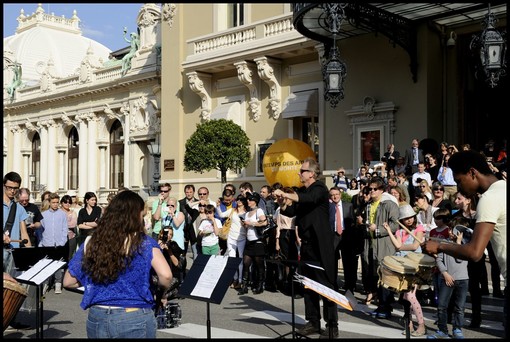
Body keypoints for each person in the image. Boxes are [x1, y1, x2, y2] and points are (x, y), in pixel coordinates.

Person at [63, 190, 172, 339]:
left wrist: (92, 283)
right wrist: (160, 294)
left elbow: (68, 281)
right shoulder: (144, 242)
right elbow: (166, 275)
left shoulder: (92, 241)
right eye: (142, 216)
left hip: (98, 316)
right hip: (134, 314)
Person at [422, 149, 507, 338]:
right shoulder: (504, 188)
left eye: (459, 181)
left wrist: (439, 245)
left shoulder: (489, 198)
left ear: (472, 172)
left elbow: (475, 252)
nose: (459, 188)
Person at [273, 157, 339, 338]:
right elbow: (291, 211)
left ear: (311, 173)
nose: (299, 174)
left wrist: (287, 194)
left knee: (326, 284)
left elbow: (308, 199)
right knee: (308, 284)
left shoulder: (319, 188)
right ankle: (313, 322)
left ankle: (332, 325)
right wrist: (281, 202)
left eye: (302, 171)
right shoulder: (302, 191)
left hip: (321, 244)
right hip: (307, 245)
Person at [382, 204, 427, 336]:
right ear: (401, 220)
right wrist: (389, 230)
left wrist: (401, 247)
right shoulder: (399, 231)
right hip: (402, 267)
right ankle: (409, 325)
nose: (409, 220)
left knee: (411, 296)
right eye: (406, 218)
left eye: (411, 217)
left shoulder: (419, 228)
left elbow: (414, 246)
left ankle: (422, 325)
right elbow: (396, 245)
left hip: (414, 265)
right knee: (403, 298)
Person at [427, 214, 469, 339]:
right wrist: (445, 273)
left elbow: (460, 260)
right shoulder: (444, 243)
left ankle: (457, 329)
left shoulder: (466, 246)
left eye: (453, 230)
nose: (450, 231)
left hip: (462, 279)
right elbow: (439, 260)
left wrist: (458, 243)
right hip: (446, 278)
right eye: (450, 229)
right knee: (442, 306)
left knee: (459, 307)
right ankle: (442, 330)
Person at [365, 176, 400, 320]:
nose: (372, 191)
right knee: (376, 278)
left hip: (385, 244)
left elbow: (395, 224)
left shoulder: (389, 204)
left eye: (375, 189)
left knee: (386, 278)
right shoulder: (368, 205)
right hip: (371, 244)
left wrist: (378, 229)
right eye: (370, 189)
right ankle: (381, 305)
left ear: (381, 190)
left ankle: (386, 307)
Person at [237, 192, 267, 295]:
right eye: (248, 199)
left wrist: (252, 223)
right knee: (246, 263)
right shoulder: (247, 213)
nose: (248, 201)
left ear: (255, 201)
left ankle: (260, 285)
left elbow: (265, 222)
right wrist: (245, 224)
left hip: (258, 241)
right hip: (249, 241)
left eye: (250, 199)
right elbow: (247, 227)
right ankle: (244, 286)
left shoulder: (259, 211)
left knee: (259, 264)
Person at [329, 186, 357, 294]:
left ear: (340, 195)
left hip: (346, 236)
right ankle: (333, 285)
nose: (335, 196)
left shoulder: (348, 205)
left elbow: (353, 222)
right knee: (333, 262)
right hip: (333, 236)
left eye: (336, 194)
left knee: (348, 262)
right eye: (332, 195)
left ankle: (349, 287)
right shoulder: (328, 207)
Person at [216, 194, 247, 289]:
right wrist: (217, 206)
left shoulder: (247, 212)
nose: (239, 201)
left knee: (240, 258)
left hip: (242, 237)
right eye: (238, 199)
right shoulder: (233, 210)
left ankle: (241, 281)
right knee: (232, 258)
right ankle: (234, 279)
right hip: (231, 237)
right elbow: (221, 214)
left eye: (241, 199)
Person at [39, 193, 68, 294]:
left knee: (57, 264)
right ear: (49, 203)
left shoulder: (62, 214)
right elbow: (41, 229)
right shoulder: (44, 214)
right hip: (47, 243)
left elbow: (65, 229)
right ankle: (45, 283)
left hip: (59, 243)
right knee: (46, 264)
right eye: (53, 202)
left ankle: (58, 284)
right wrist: (41, 242)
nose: (55, 204)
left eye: (57, 202)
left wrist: (62, 241)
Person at [60, 195, 78, 261]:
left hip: (71, 237)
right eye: (65, 202)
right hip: (59, 237)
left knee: (70, 257)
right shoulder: (58, 212)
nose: (68, 204)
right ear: (62, 203)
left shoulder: (73, 213)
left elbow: (73, 224)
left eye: (69, 202)